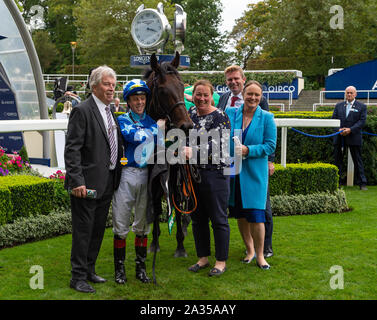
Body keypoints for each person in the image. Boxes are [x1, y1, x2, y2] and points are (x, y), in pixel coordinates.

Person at [64, 65, 123, 293]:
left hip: (107, 182)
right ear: (94, 85)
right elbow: (72, 149)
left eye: (113, 84)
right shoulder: (83, 110)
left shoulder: (109, 111)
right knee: (83, 230)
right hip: (85, 185)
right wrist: (77, 180)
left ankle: (89, 270)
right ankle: (77, 277)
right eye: (107, 84)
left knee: (98, 229)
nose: (111, 88)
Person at [218, 65, 275, 258]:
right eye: (229, 79)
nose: (252, 98)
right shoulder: (228, 105)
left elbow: (270, 143)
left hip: (255, 169)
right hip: (234, 170)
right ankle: (249, 249)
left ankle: (264, 250)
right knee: (239, 212)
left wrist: (252, 152)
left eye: (256, 95)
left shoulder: (265, 112)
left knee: (259, 210)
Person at [112, 79, 159, 284]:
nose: (139, 102)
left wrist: (153, 134)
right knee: (121, 223)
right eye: (135, 98)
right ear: (128, 101)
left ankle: (141, 269)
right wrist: (154, 134)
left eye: (142, 98)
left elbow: (154, 138)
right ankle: (119, 270)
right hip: (127, 174)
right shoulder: (122, 119)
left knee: (142, 224)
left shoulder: (151, 120)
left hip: (146, 174)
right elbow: (136, 137)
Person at [185, 80, 231, 277]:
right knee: (198, 219)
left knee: (218, 219)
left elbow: (220, 146)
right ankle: (203, 257)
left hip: (216, 174)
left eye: (205, 95)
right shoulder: (191, 115)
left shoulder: (220, 116)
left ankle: (221, 261)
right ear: (193, 95)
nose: (201, 98)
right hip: (194, 175)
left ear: (212, 96)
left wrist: (192, 150)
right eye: (198, 94)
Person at [332, 86, 368, 190]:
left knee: (358, 161)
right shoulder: (338, 105)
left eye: (351, 93)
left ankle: (362, 183)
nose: (349, 95)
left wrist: (350, 130)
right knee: (337, 161)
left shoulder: (361, 106)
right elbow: (334, 119)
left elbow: (362, 121)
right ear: (345, 94)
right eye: (347, 93)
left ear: (355, 94)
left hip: (354, 137)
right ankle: (336, 183)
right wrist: (339, 129)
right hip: (340, 138)